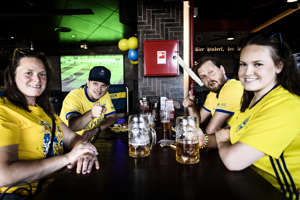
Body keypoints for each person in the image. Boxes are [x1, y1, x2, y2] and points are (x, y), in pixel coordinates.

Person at [0, 49, 99, 198]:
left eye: (42, 74)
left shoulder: (46, 113)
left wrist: (83, 152)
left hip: (56, 188)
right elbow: (4, 175)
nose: (37, 79)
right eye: (29, 73)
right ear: (13, 76)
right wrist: (68, 158)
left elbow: (73, 138)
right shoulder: (4, 111)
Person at [214, 34, 300, 199]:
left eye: (258, 64)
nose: (247, 72)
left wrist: (221, 141)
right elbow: (231, 134)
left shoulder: (287, 106)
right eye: (243, 64)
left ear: (279, 66)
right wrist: (201, 140)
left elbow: (233, 160)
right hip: (253, 184)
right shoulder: (253, 99)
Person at [183, 56, 243, 136]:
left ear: (222, 70)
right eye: (203, 77)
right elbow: (198, 121)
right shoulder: (213, 94)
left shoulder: (233, 87)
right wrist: (191, 106)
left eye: (211, 72)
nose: (209, 79)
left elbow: (211, 131)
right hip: (227, 142)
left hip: (243, 144)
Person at [59, 66, 117, 142]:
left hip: (88, 143)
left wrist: (96, 130)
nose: (99, 89)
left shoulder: (105, 95)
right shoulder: (74, 96)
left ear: (107, 87)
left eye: (103, 85)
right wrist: (91, 114)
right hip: (66, 145)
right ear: (88, 82)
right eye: (95, 84)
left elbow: (112, 117)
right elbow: (73, 126)